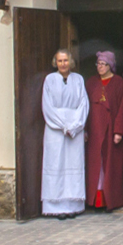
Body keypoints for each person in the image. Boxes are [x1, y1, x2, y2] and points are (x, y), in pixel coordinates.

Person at [41, 49, 88, 217]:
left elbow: (83, 104)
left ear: (70, 62)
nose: (63, 64)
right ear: (56, 62)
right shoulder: (50, 80)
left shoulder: (78, 80)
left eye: (65, 60)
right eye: (60, 61)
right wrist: (63, 126)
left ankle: (73, 205)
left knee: (73, 163)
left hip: (75, 130)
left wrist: (75, 126)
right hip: (56, 130)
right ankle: (55, 207)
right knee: (56, 164)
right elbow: (47, 106)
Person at [85, 49, 123, 211]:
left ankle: (110, 200)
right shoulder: (91, 83)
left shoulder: (119, 82)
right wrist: (84, 130)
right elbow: (84, 107)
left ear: (110, 65)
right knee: (95, 165)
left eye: (104, 64)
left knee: (111, 166)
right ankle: (94, 200)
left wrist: (118, 131)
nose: (100, 67)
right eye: (98, 64)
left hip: (111, 130)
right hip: (94, 130)